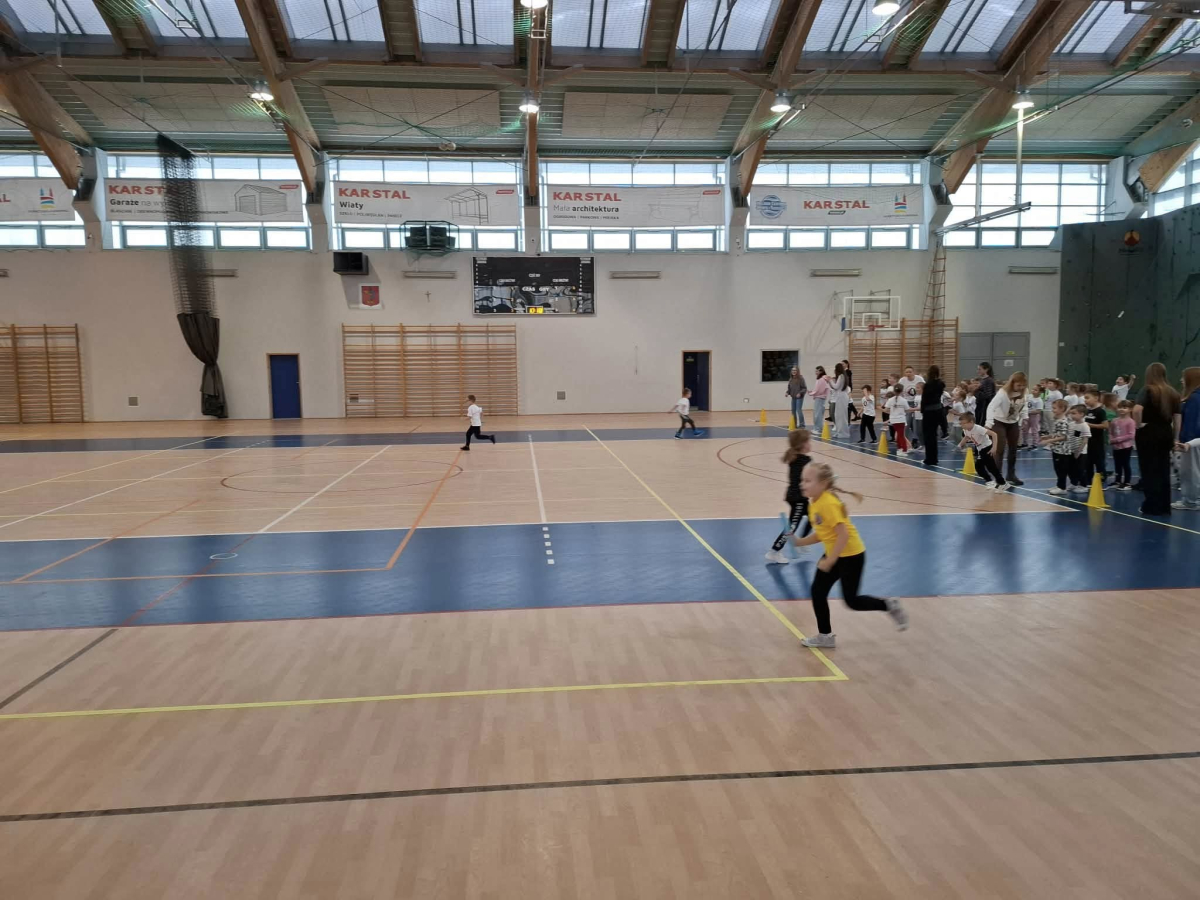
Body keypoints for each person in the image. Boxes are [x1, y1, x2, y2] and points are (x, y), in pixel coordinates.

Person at [790, 462, 908, 648]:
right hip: (836, 553)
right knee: (818, 592)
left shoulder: (828, 504)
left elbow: (843, 535)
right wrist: (799, 542)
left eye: (807, 480)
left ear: (823, 484)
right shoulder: (815, 503)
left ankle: (889, 605)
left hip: (851, 556)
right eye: (802, 480)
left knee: (852, 601)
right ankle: (825, 636)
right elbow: (823, 533)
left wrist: (830, 561)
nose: (802, 484)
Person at [1134, 362, 1182, 516]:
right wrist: (1175, 437)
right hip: (1165, 431)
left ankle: (1151, 505)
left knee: (1149, 469)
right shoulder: (1173, 392)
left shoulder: (1148, 390)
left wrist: (1138, 425)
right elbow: (1177, 417)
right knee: (1163, 469)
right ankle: (1164, 506)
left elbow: (1137, 409)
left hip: (1149, 431)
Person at [766, 428, 813, 564]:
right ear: (802, 445)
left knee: (814, 516)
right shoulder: (804, 460)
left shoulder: (797, 458)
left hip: (797, 497)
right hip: (798, 498)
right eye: (808, 441)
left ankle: (802, 542)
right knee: (792, 527)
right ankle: (774, 551)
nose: (810, 444)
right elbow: (811, 477)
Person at [985, 371, 1029, 486]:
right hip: (999, 421)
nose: (1021, 387)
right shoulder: (1003, 393)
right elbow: (991, 407)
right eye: (1018, 385)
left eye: (1023, 385)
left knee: (1013, 449)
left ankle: (1011, 475)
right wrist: (989, 423)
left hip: (1013, 422)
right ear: (1012, 383)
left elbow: (1024, 405)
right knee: (999, 449)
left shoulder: (1024, 392)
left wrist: (1025, 417)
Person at [1041, 399, 1084, 495]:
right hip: (1057, 449)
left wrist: (1048, 441)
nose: (1052, 410)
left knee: (1061, 469)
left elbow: (1064, 437)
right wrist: (1048, 436)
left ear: (1062, 409)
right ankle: (1059, 485)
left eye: (1054, 408)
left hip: (1062, 450)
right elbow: (1058, 434)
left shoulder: (1063, 421)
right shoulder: (1058, 420)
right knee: (1058, 468)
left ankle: (1062, 487)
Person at [957, 412, 1008, 491]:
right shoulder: (966, 430)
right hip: (980, 449)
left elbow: (994, 434)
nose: (962, 425)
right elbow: (966, 437)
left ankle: (991, 481)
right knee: (986, 467)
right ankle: (1002, 483)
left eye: (964, 423)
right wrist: (960, 445)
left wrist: (994, 447)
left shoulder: (978, 429)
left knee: (984, 467)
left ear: (971, 422)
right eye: (961, 424)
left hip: (987, 448)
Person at [1173, 367, 1200, 510]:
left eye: (1184, 377)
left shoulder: (1194, 398)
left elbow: (1192, 422)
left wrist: (1186, 442)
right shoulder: (1194, 397)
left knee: (1191, 472)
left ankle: (1191, 501)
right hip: (1194, 440)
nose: (1181, 380)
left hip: (1193, 441)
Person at [1082, 391, 1110, 488]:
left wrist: (1090, 425)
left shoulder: (1100, 411)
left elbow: (1105, 425)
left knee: (1099, 463)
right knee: (1087, 462)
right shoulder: (1086, 411)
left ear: (1096, 398)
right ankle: (1088, 480)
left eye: (1087, 398)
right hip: (1087, 442)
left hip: (1097, 442)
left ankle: (1102, 481)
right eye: (1084, 398)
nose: (1085, 400)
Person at [920, 365, 946, 467]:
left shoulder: (928, 385)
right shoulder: (941, 384)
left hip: (929, 412)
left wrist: (922, 410)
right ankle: (934, 458)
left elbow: (924, 399)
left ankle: (929, 459)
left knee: (928, 436)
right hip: (938, 410)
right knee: (934, 435)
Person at [1109, 400, 1137, 492]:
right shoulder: (1114, 421)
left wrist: (1117, 439)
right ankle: (1117, 481)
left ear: (1130, 409)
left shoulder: (1131, 422)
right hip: (1116, 447)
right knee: (1117, 464)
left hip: (1126, 447)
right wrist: (1111, 439)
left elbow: (1131, 435)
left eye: (1124, 408)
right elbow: (1111, 432)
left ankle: (1127, 482)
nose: (1121, 409)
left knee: (1125, 464)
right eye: (1120, 407)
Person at [897, 366, 925, 449]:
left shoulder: (919, 379)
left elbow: (924, 388)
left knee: (916, 422)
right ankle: (905, 440)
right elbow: (899, 391)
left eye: (910, 372)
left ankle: (915, 440)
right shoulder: (902, 380)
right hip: (907, 403)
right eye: (907, 372)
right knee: (906, 422)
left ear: (914, 372)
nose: (908, 373)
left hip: (917, 401)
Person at [885, 388, 911, 457]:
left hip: (899, 421)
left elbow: (887, 410)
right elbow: (906, 410)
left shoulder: (892, 401)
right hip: (899, 420)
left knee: (900, 436)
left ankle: (905, 448)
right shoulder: (900, 401)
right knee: (899, 436)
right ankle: (904, 449)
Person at [831, 362, 851, 439]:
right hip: (841, 397)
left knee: (841, 416)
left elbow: (836, 387)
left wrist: (830, 380)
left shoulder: (841, 376)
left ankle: (843, 433)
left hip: (842, 397)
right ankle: (839, 432)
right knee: (838, 415)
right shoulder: (843, 376)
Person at [975, 363, 997, 428]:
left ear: (986, 369)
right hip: (981, 406)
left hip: (985, 407)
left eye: (980, 369)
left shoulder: (988, 381)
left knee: (981, 425)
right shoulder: (983, 380)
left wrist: (975, 391)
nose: (978, 371)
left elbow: (987, 395)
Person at [810, 366, 830, 432]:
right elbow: (818, 390)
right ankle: (817, 428)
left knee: (817, 415)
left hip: (819, 398)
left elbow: (819, 390)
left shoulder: (821, 380)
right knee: (818, 414)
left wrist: (811, 393)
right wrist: (813, 392)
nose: (816, 372)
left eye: (817, 371)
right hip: (819, 398)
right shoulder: (821, 379)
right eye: (815, 371)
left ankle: (818, 429)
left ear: (821, 371)